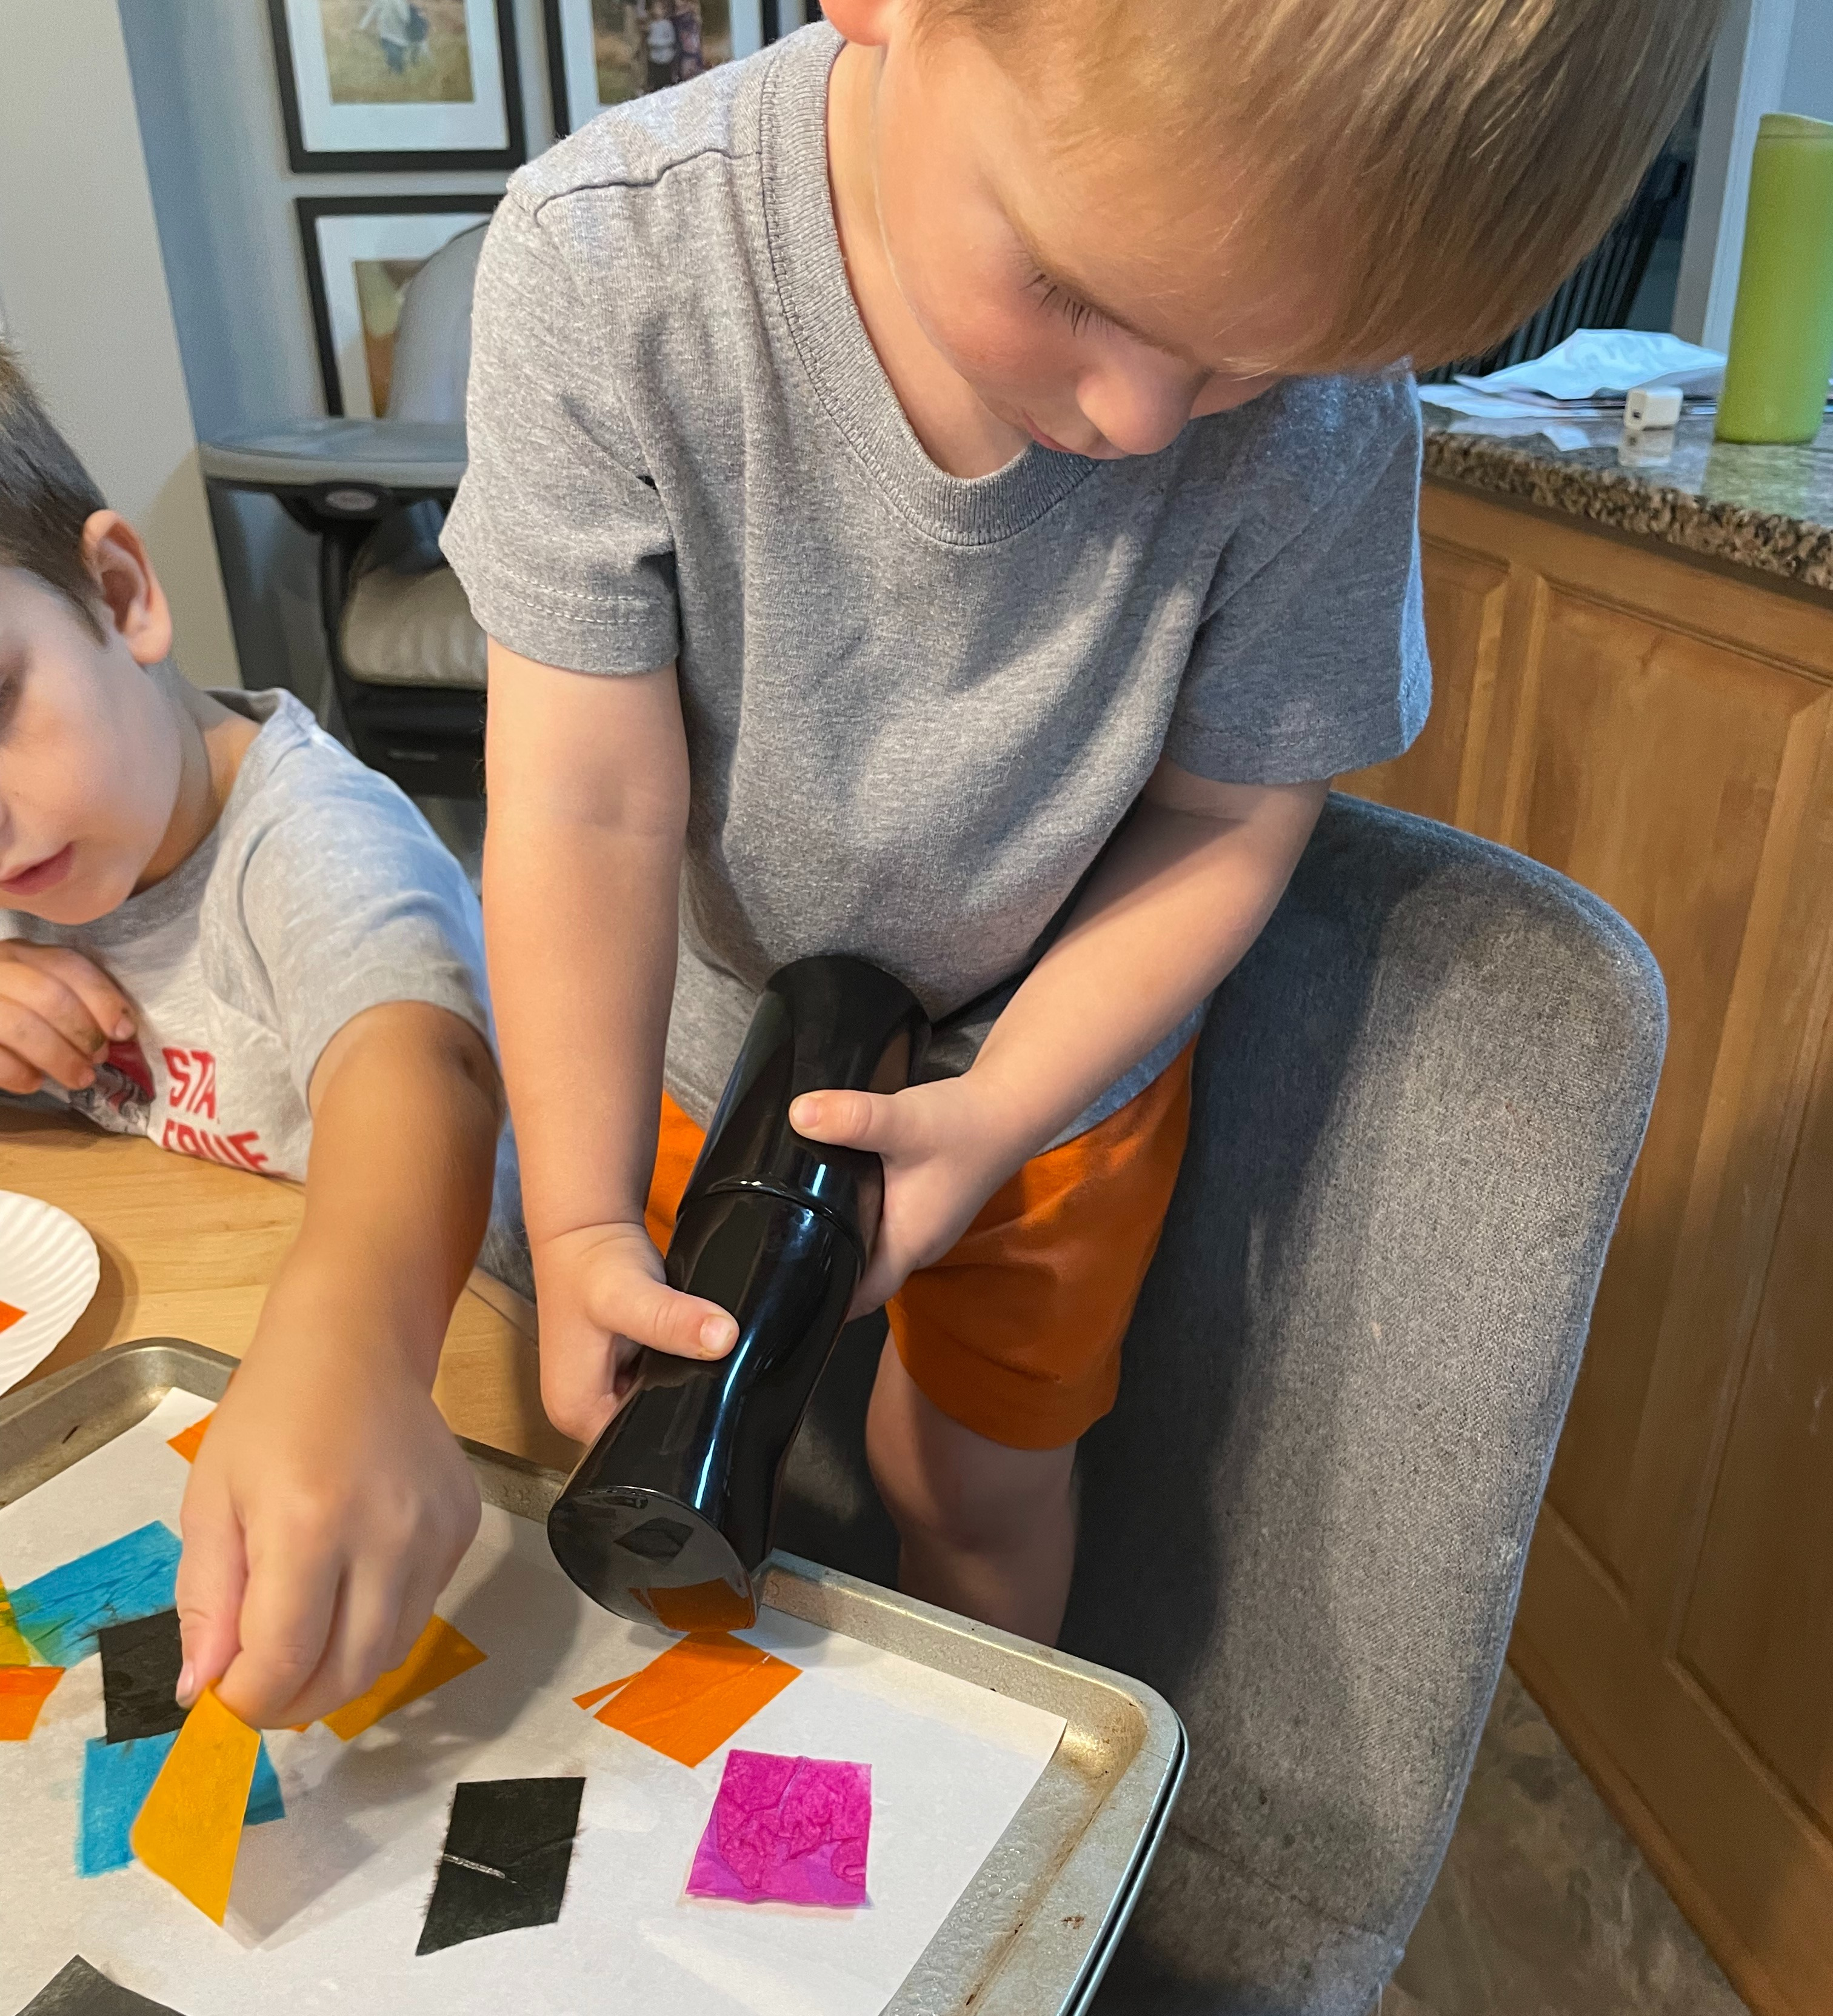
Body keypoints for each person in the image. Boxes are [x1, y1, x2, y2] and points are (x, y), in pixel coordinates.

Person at [443, 0, 1720, 1648]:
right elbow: (586, 800)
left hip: (1050, 1066)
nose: (1137, 419)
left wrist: (1002, 1115)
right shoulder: (612, 268)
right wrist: (582, 1212)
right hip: (690, 1040)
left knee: (973, 1481)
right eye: (1076, 295)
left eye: (1248, 361)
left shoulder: (1331, 423)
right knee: (652, 1439)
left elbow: (1221, 820)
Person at [0, 349, 526, 1728]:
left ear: (122, 595)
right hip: (196, 1371)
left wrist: (349, 1341)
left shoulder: (313, 840)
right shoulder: (35, 871)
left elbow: (420, 1063)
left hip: (444, 1383)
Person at [644, 2, 679, 90]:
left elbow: (671, 40)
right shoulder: (652, 25)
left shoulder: (668, 24)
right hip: (655, 58)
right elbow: (649, 40)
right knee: (656, 79)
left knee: (666, 80)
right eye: (655, 9)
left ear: (664, 11)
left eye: (659, 9)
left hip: (666, 58)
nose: (656, 11)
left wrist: (660, 44)